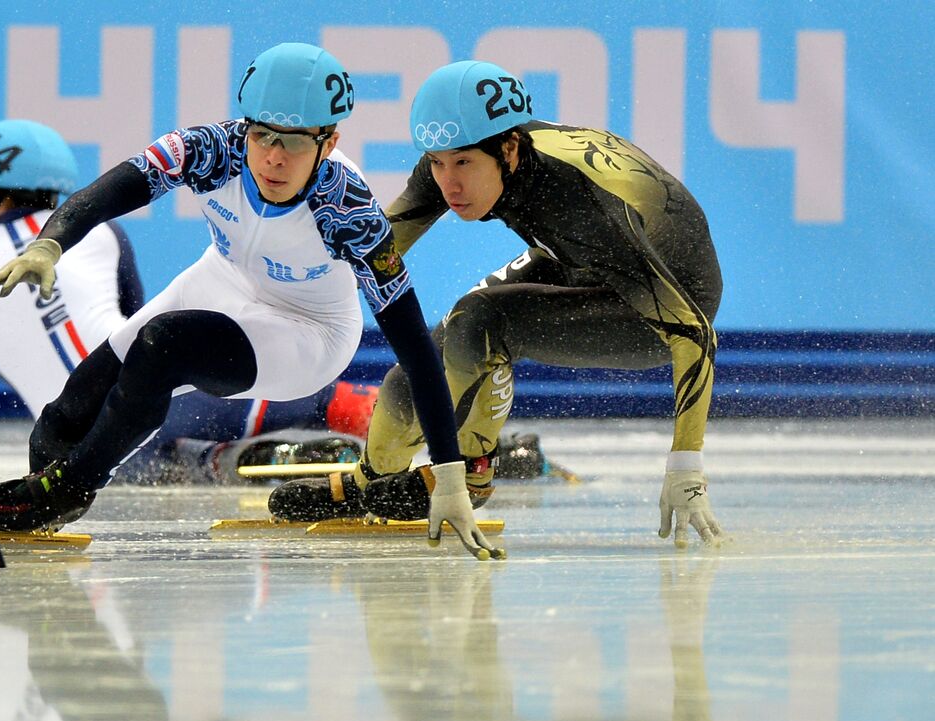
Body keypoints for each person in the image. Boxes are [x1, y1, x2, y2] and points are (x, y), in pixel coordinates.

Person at [0, 43, 496, 557]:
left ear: (329, 143)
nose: (274, 159)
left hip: (308, 330)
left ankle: (65, 491)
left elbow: (414, 348)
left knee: (162, 345)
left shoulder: (349, 212)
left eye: (297, 142)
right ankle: (41, 496)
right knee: (66, 415)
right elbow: (117, 186)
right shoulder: (217, 149)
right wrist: (51, 242)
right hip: (223, 279)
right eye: (264, 136)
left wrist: (449, 473)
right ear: (246, 129)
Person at [270, 60, 725, 547]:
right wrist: (286, 291)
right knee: (427, 355)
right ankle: (371, 480)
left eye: (463, 164)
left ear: (509, 150)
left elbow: (694, 333)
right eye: (437, 163)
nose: (449, 183)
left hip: (662, 303)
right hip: (573, 260)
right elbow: (375, 246)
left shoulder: (582, 205)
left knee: (482, 320)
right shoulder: (468, 149)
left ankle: (471, 470)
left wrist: (686, 466)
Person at [0, 118, 375, 484]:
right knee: (309, 398)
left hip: (87, 442)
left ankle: (219, 463)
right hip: (176, 403)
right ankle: (379, 417)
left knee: (150, 461)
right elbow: (153, 334)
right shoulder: (103, 234)